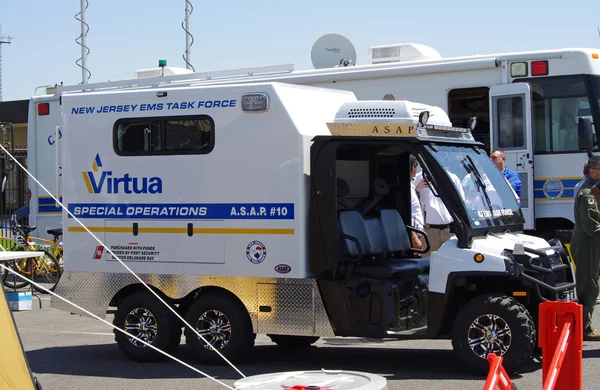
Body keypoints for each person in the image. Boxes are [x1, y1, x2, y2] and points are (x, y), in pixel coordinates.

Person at [571, 155, 600, 341]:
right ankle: (584, 328)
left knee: (591, 282)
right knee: (589, 284)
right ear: (592, 171)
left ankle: (583, 325)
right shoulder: (588, 193)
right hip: (587, 244)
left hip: (590, 243)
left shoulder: (593, 189)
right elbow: (592, 226)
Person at [413, 156, 465, 255]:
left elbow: (461, 204)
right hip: (428, 231)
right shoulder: (418, 178)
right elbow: (412, 204)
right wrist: (418, 189)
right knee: (426, 264)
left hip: (449, 231)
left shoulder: (452, 178)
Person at [409, 155, 425, 249]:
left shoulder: (411, 186)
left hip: (418, 233)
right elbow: (405, 214)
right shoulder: (405, 189)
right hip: (412, 235)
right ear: (413, 168)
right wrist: (414, 236)